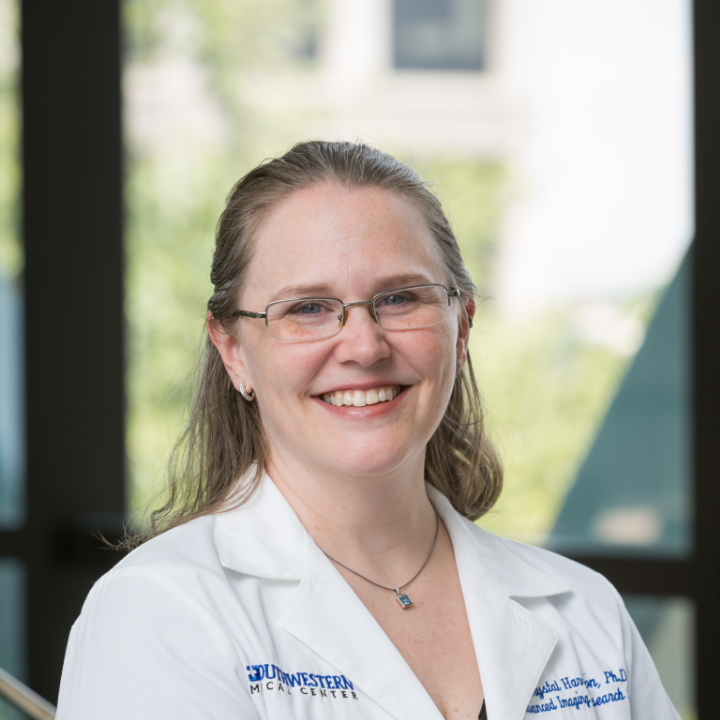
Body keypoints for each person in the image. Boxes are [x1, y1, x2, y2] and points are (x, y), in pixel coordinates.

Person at [56, 141, 679, 720]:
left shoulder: (585, 608)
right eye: (307, 308)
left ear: (461, 327)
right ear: (233, 350)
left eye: (400, 298)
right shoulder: (161, 609)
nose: (363, 346)